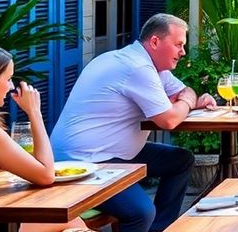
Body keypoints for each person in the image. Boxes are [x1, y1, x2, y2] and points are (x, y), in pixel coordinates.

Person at [51, 14, 217, 232]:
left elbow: (184, 91)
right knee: (140, 212)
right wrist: (187, 101)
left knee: (180, 160)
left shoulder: (152, 66)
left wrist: (186, 99)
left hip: (113, 153)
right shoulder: (137, 67)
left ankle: (159, 229)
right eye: (178, 44)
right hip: (83, 160)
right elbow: (169, 119)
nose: (183, 52)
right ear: (155, 42)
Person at [0, 43, 90, 232]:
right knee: (71, 222)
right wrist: (34, 112)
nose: (11, 86)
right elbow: (45, 174)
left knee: (72, 221)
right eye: (8, 78)